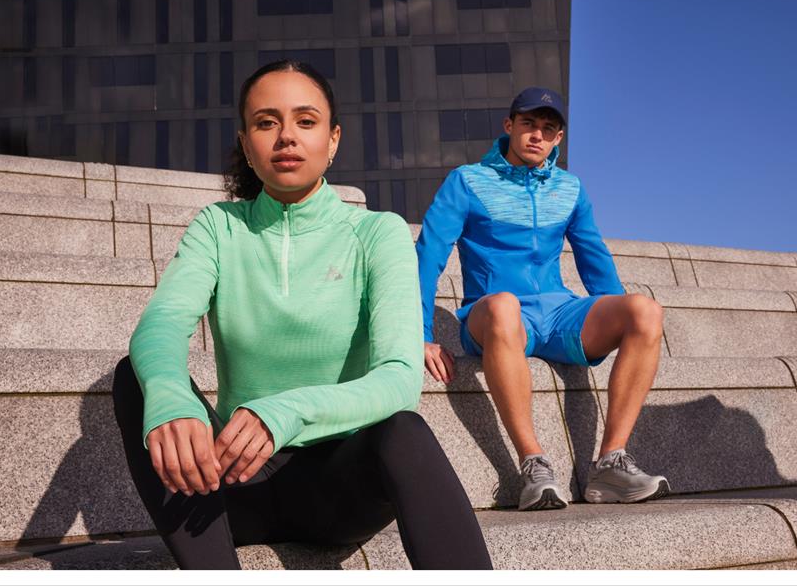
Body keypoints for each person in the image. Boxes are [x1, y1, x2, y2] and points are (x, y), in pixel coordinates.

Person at [112, 60, 492, 570]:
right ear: (246, 145)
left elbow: (401, 379)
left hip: (338, 489)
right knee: (136, 379)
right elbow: (161, 324)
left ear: (333, 140)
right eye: (266, 122)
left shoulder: (377, 233)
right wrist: (172, 398)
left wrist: (283, 413)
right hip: (229, 482)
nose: (286, 136)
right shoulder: (220, 226)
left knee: (403, 429)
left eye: (305, 121)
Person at [416, 87, 670, 511]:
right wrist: (420, 332)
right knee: (503, 305)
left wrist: (619, 322)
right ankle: (533, 464)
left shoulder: (570, 189)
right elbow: (427, 257)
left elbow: (595, 259)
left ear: (558, 140)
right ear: (509, 126)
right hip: (495, 317)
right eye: (529, 124)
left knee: (644, 309)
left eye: (548, 129)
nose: (537, 134)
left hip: (557, 314)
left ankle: (611, 463)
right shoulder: (468, 181)